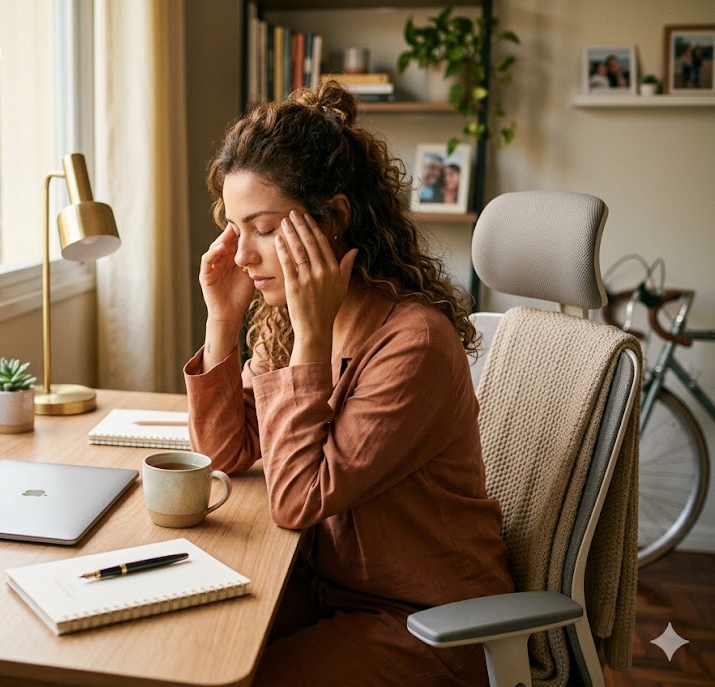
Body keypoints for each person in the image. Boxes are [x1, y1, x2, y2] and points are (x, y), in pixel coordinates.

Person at [184, 80, 513, 685]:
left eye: (264, 228)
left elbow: (297, 501)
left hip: (423, 621)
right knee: (192, 650)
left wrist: (310, 337)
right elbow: (224, 453)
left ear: (333, 217)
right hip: (324, 588)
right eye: (235, 229)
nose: (243, 255)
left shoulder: (413, 343)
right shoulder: (285, 321)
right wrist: (222, 323)